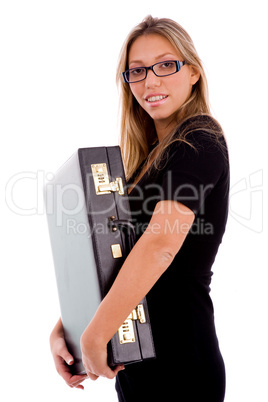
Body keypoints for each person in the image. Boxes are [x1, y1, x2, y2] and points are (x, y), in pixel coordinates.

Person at [50, 15, 229, 401]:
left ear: (193, 72)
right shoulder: (146, 162)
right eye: (137, 71)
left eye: (166, 65)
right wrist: (69, 327)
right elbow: (117, 258)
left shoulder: (200, 140)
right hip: (140, 364)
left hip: (182, 365)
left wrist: (96, 331)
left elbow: (159, 245)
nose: (151, 81)